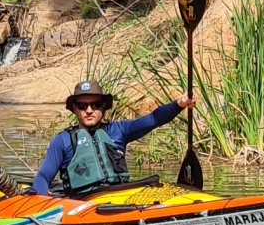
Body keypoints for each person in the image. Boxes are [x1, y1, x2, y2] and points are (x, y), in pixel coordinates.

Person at [30, 80, 195, 196]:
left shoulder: (119, 130)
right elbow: (44, 177)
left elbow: (153, 119)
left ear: (104, 107)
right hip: (83, 203)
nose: (89, 110)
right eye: (82, 106)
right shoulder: (63, 140)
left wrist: (179, 104)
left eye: (95, 105)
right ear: (74, 109)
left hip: (120, 198)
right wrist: (41, 201)